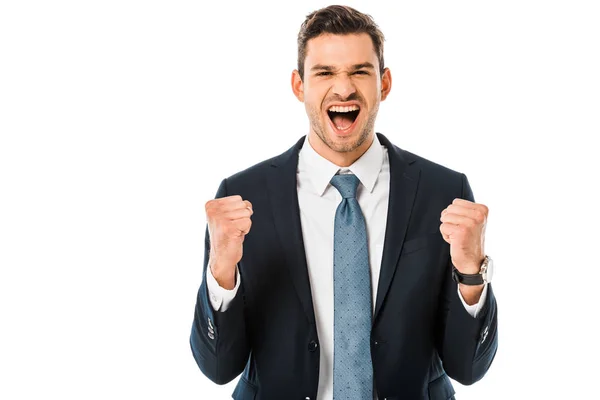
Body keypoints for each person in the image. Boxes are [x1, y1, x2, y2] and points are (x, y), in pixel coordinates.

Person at [190, 5, 498, 400]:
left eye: (359, 71)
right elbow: (217, 368)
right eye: (325, 73)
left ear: (384, 83)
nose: (344, 88)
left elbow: (468, 368)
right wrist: (221, 273)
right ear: (299, 85)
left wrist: (471, 273)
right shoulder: (242, 197)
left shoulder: (443, 191)